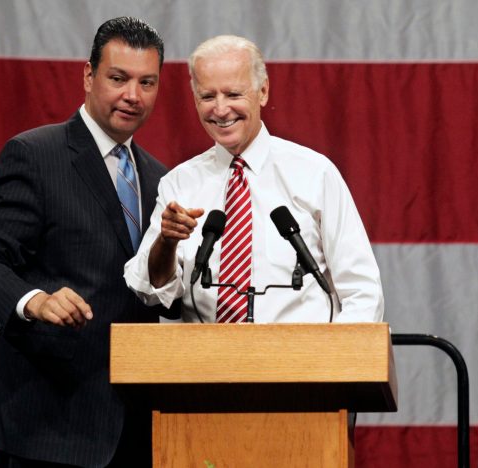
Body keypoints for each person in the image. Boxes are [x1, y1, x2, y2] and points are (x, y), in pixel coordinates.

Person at [0, 17, 172, 467]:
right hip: (47, 426)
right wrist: (33, 301)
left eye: (146, 82)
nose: (132, 95)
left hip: (137, 430)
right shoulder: (35, 155)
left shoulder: (160, 178)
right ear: (89, 76)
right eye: (118, 78)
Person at [124, 35, 383, 323]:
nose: (221, 110)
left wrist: (329, 364)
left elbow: (362, 291)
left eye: (233, 95)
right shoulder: (179, 184)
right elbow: (151, 290)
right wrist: (167, 242)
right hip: (207, 364)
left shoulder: (315, 174)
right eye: (208, 97)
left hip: (301, 364)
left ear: (263, 91)